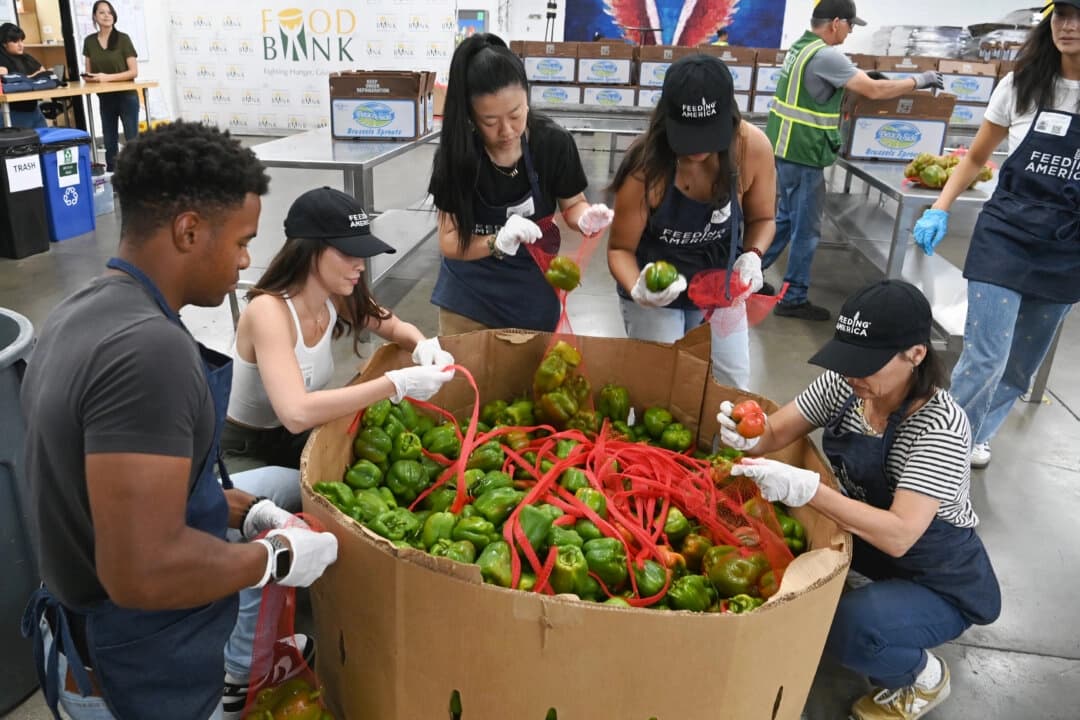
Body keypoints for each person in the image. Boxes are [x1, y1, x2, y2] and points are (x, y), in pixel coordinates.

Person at [18, 121, 339, 720]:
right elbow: (143, 570)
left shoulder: (83, 309)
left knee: (267, 486)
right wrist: (276, 558)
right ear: (189, 230)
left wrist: (218, 504)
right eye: (242, 241)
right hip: (135, 669)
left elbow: (98, 484)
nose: (247, 261)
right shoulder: (150, 353)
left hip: (81, 638)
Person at [720, 280, 1000, 720]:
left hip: (937, 575)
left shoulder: (940, 428)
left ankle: (923, 676)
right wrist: (749, 434)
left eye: (867, 364)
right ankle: (883, 606)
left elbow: (900, 535)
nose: (853, 375)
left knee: (848, 627)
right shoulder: (848, 386)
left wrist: (810, 490)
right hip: (875, 551)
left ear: (916, 354)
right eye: (847, 360)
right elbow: (777, 430)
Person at [913, 1, 1080, 469]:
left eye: (1079, 15)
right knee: (986, 355)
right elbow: (974, 157)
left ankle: (976, 434)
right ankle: (942, 449)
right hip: (1007, 232)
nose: (1068, 25)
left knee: (1020, 366)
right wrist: (939, 208)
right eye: (1061, 14)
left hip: (1067, 247)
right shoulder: (1022, 84)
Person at [223, 186, 456, 474]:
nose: (361, 265)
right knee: (292, 499)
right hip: (241, 447)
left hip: (293, 437)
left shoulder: (338, 295)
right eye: (349, 253)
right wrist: (396, 383)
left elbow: (394, 327)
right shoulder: (269, 312)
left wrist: (423, 345)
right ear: (309, 251)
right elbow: (296, 412)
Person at [761, 0, 943, 321]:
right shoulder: (826, 55)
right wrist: (920, 80)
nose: (849, 33)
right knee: (806, 230)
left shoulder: (801, 49)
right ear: (835, 23)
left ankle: (741, 276)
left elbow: (820, 90)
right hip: (804, 153)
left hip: (786, 149)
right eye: (849, 26)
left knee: (787, 219)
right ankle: (793, 296)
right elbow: (873, 90)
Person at [607, 54, 775, 390]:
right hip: (657, 287)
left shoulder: (751, 148)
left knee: (731, 384)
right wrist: (639, 289)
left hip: (720, 286)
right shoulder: (646, 167)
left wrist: (753, 255)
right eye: (686, 138)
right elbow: (619, 250)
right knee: (659, 386)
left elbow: (764, 218)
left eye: (707, 138)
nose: (696, 150)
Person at [428, 32, 614, 334]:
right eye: (490, 122)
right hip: (468, 297)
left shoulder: (553, 143)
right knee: (466, 378)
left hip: (533, 290)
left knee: (528, 379)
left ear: (527, 97)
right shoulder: (457, 156)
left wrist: (585, 218)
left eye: (516, 114)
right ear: (472, 117)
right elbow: (449, 242)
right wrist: (497, 241)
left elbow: (572, 204)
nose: (507, 130)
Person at [82, 0, 139, 171]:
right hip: (105, 98)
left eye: (109, 12)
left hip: (126, 96)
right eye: (102, 12)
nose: (107, 16)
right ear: (94, 17)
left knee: (131, 138)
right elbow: (89, 74)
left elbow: (133, 72)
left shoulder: (123, 39)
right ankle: (113, 176)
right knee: (109, 140)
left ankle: (136, 174)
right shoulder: (89, 41)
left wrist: (106, 78)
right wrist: (93, 78)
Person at [0, 22, 50, 129]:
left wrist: (30, 77)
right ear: (4, 43)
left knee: (44, 142)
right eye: (15, 41)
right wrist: (34, 77)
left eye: (21, 41)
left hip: (34, 109)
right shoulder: (2, 59)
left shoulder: (26, 57)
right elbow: (7, 79)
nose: (20, 45)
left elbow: (43, 72)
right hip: (12, 111)